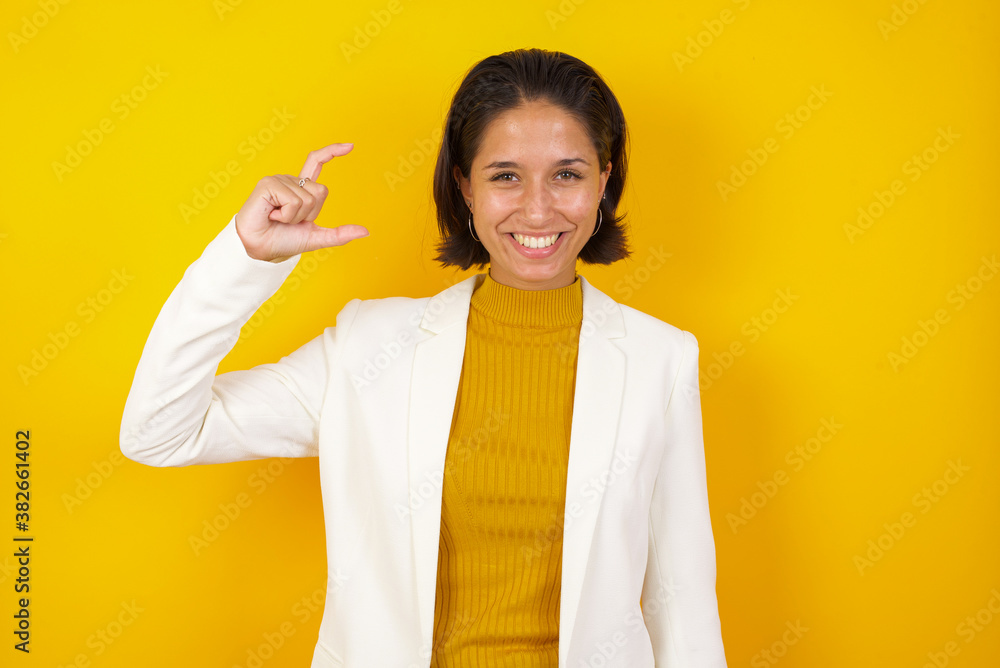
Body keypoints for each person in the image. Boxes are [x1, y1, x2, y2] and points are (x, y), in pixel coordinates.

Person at [120, 48, 728, 667]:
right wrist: (246, 260)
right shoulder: (370, 347)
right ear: (465, 186)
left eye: (567, 174)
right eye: (506, 176)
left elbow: (682, 608)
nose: (539, 209)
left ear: (603, 181)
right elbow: (160, 433)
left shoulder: (661, 361)